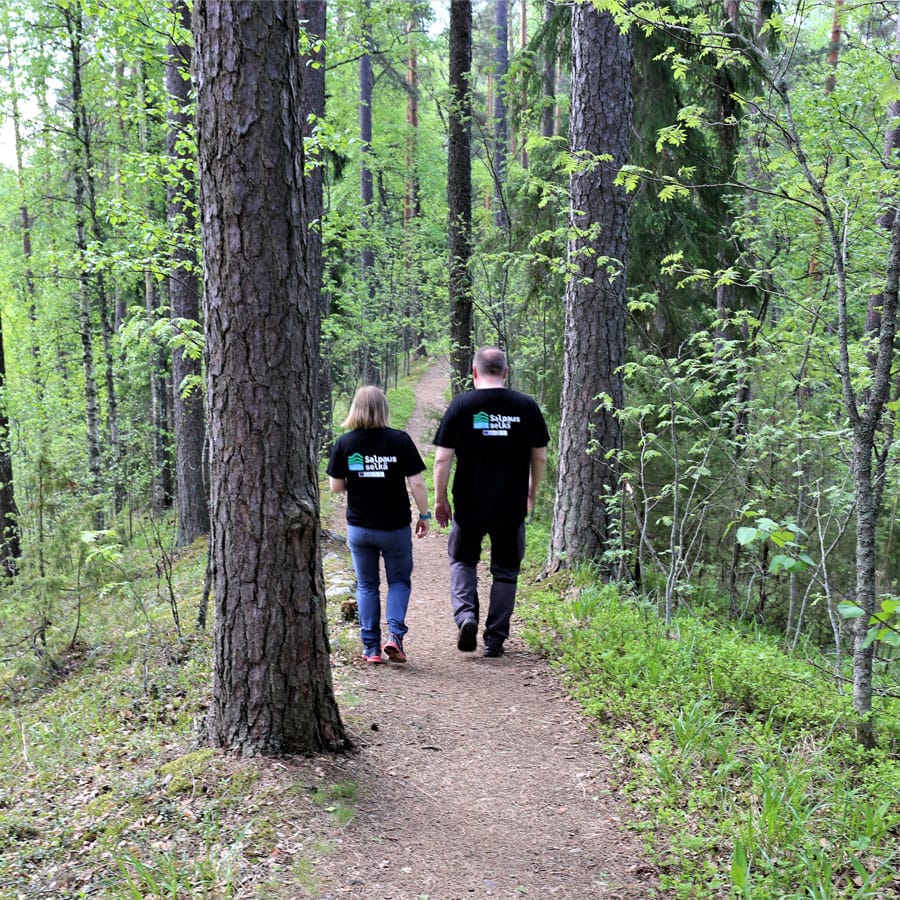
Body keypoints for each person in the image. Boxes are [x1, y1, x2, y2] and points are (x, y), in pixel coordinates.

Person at [433, 347, 549, 657]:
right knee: (506, 571)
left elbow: (442, 458)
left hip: (469, 502)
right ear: (505, 372)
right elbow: (539, 456)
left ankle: (466, 616)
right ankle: (494, 640)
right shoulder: (526, 407)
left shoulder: (461, 405)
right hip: (510, 504)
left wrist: (440, 499)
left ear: (474, 372)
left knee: (462, 561)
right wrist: (531, 492)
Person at [327, 386, 431, 664]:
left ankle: (371, 648)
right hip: (394, 526)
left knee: (367, 585)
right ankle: (394, 636)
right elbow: (417, 482)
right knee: (398, 580)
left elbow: (336, 487)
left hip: (360, 528)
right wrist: (424, 515)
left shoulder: (344, 444)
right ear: (383, 408)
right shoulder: (399, 440)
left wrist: (360, 478)